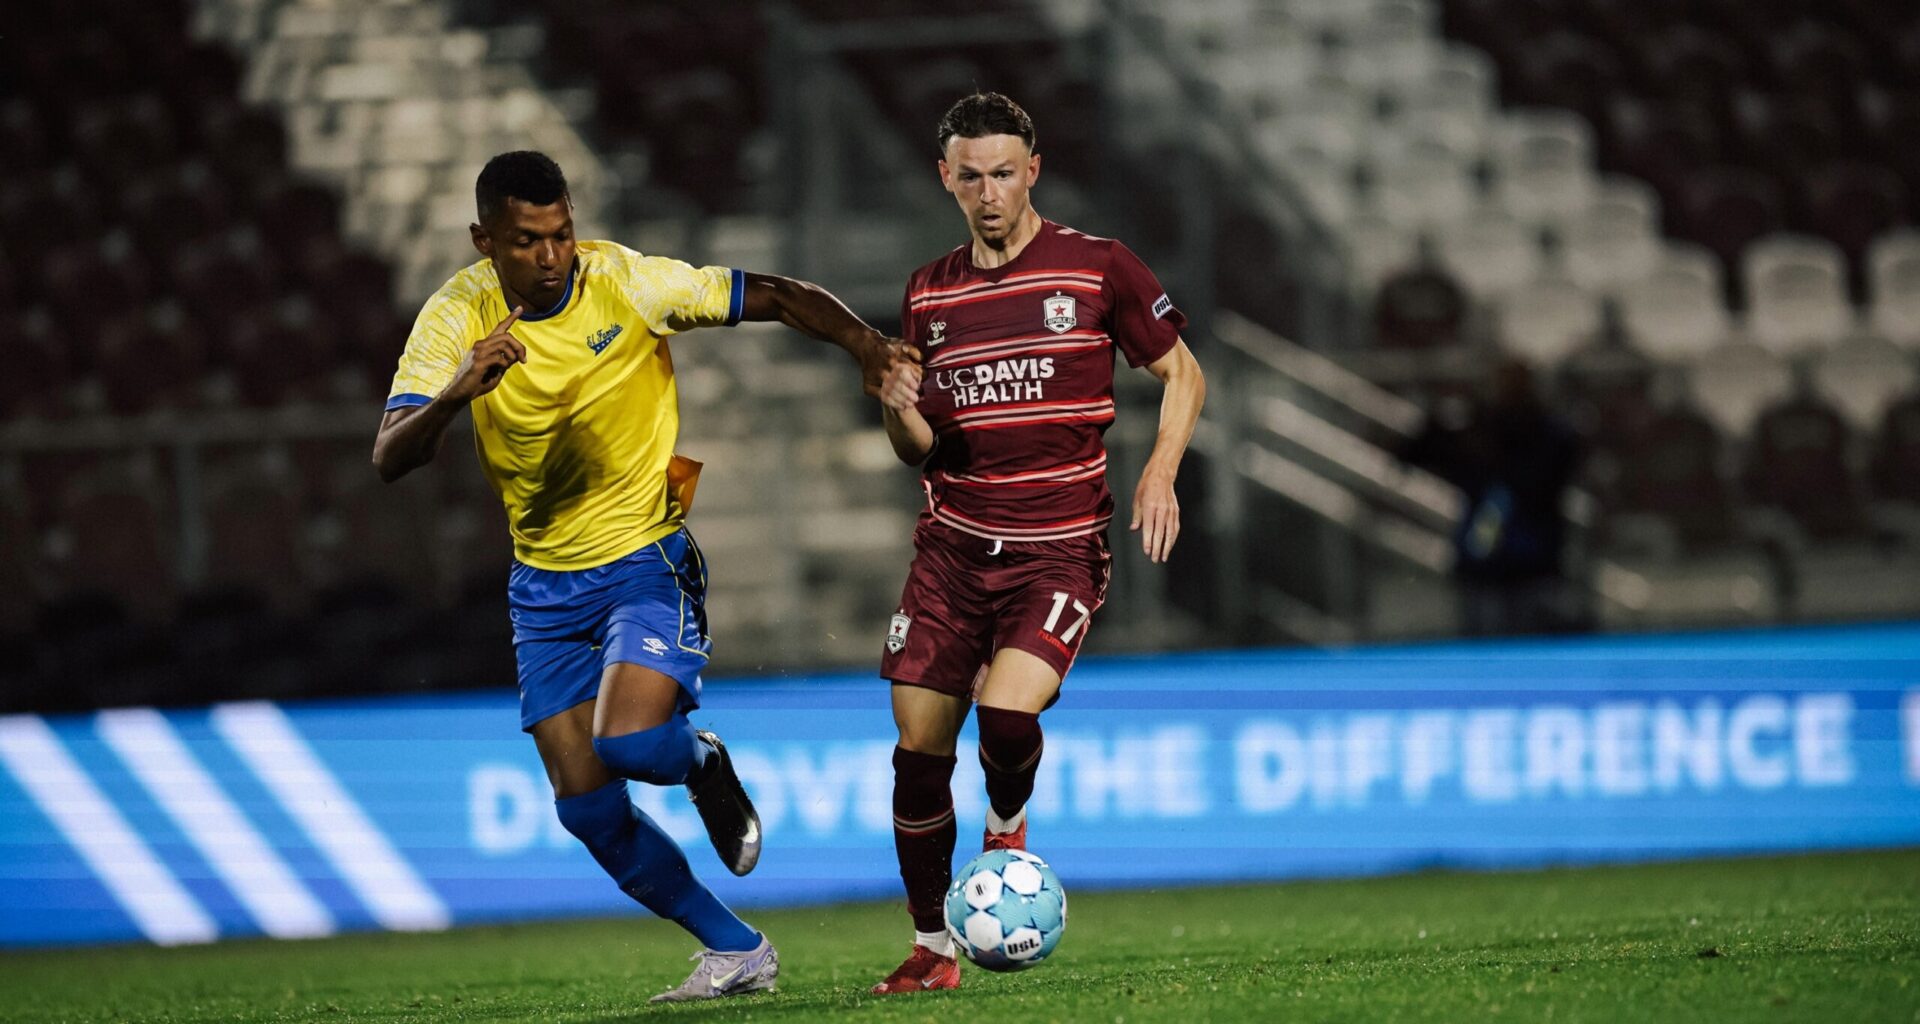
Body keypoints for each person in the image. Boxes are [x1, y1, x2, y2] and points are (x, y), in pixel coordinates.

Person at [371, 151, 905, 1003]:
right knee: (585, 808)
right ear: (485, 241)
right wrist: (456, 393)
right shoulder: (454, 319)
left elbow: (769, 292)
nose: (551, 256)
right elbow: (391, 456)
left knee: (630, 746)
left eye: (561, 234)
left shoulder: (627, 282)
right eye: (526, 241)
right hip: (541, 585)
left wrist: (865, 344)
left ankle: (700, 762)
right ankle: (737, 951)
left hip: (643, 559)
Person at [868, 93, 1207, 994]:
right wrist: (897, 409)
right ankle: (932, 948)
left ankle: (1007, 820)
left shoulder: (1096, 268)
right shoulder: (927, 292)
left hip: (1056, 550)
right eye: (970, 176)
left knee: (1009, 717)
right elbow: (919, 451)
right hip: (950, 551)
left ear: (1033, 173)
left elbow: (1182, 369)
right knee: (917, 751)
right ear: (946, 178)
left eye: (1005, 174)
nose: (989, 193)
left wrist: (1160, 468)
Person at [1400, 359, 1584, 636]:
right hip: (1483, 564)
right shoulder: (1476, 427)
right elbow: (1413, 454)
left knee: (1532, 648)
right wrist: (1437, 420)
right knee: (1482, 647)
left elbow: (1545, 477)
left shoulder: (1548, 433)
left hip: (1533, 562)